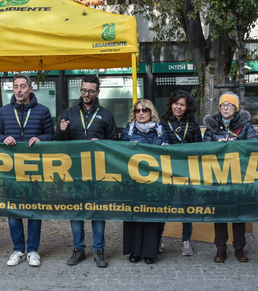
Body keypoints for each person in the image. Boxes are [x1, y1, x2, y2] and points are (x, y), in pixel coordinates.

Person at [0, 73, 54, 267]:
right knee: (14, 211)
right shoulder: (3, 111)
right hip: (11, 170)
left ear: (30, 89)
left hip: (35, 169)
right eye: (16, 86)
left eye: (22, 86)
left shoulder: (43, 111)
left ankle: (33, 250)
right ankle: (18, 249)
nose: (19, 90)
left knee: (34, 210)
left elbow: (51, 134)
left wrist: (41, 139)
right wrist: (2, 138)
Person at [55, 74, 117, 268]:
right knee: (76, 211)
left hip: (98, 172)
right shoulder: (69, 113)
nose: (86, 94)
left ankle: (99, 250)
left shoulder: (106, 115)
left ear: (97, 92)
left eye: (90, 91)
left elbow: (115, 142)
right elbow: (58, 143)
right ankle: (78, 249)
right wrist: (61, 130)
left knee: (97, 211)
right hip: (74, 171)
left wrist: (103, 144)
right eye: (83, 90)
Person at [203, 92, 258, 263]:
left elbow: (253, 145)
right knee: (220, 213)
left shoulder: (246, 126)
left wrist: (238, 146)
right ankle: (220, 249)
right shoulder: (212, 126)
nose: (226, 108)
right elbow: (203, 147)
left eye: (229, 105)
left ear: (235, 108)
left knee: (238, 213)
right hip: (218, 175)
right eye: (223, 105)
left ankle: (239, 249)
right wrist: (215, 147)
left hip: (238, 175)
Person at [121, 98, 166, 264]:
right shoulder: (128, 131)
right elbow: (121, 153)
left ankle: (150, 252)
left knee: (152, 217)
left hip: (155, 182)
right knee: (135, 215)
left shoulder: (160, 131)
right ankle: (134, 251)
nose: (141, 113)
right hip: (134, 181)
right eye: (138, 110)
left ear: (151, 112)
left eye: (144, 110)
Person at [162, 89, 202, 256]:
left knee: (187, 208)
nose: (178, 107)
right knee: (164, 206)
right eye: (176, 104)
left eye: (182, 105)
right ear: (171, 104)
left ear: (187, 108)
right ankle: (158, 238)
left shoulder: (192, 125)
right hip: (166, 171)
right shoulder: (162, 123)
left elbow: (199, 148)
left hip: (187, 172)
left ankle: (186, 241)